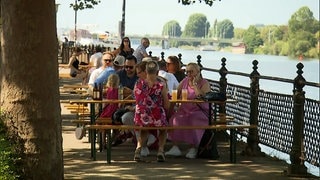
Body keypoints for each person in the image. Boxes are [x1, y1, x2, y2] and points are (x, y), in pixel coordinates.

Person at [165, 62, 211, 159]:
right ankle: (175, 147)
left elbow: (202, 97)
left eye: (191, 72)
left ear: (198, 72)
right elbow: (175, 94)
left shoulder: (204, 83)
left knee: (194, 120)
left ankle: (194, 147)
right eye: (187, 72)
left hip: (200, 111)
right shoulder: (184, 81)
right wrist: (170, 109)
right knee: (175, 119)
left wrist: (195, 85)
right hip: (185, 110)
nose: (189, 74)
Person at [133, 60, 170, 162]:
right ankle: (161, 150)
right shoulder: (161, 86)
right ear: (157, 72)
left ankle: (138, 148)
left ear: (146, 71)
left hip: (141, 117)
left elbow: (137, 100)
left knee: (144, 129)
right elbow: (167, 104)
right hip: (156, 116)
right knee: (163, 128)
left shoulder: (138, 84)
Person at [99, 74, 121, 148]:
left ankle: (103, 141)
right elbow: (120, 103)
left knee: (103, 126)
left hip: (107, 112)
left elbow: (103, 100)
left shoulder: (107, 90)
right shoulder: (119, 90)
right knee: (117, 128)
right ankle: (111, 140)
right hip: (114, 112)